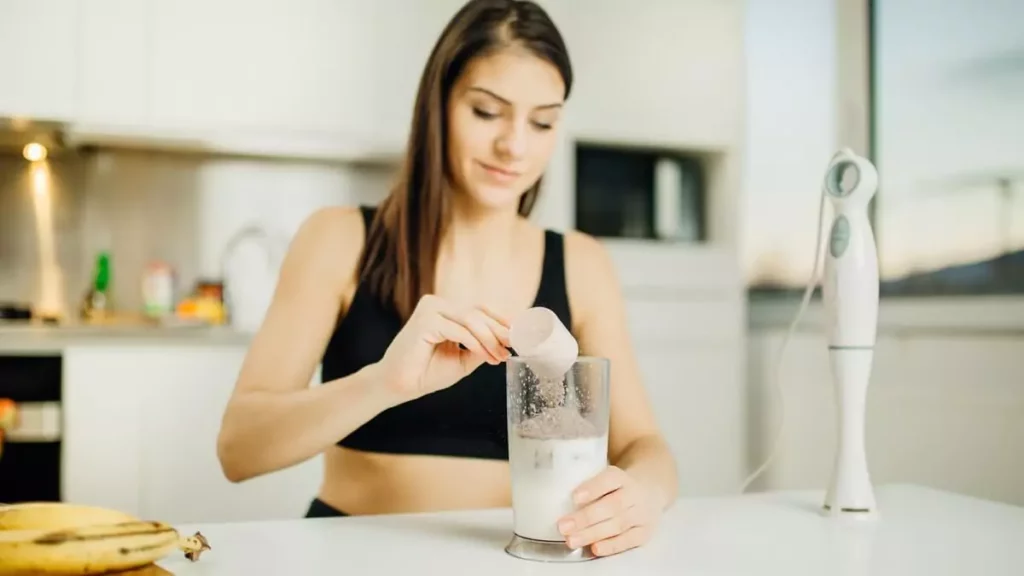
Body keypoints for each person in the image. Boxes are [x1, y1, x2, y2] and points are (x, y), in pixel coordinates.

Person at [215, 0, 678, 558]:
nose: (515, 144)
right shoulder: (339, 240)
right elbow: (238, 449)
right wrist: (385, 382)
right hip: (349, 558)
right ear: (438, 105)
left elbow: (643, 445)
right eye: (487, 112)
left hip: (511, 560)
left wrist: (644, 494)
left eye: (543, 121)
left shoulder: (582, 263)